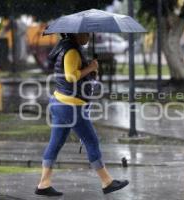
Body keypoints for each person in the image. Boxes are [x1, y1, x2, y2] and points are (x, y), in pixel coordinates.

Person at [35, 33, 129, 196]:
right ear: (76, 34)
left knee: (55, 143)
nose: (88, 36)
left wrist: (91, 72)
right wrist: (91, 68)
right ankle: (107, 182)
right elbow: (71, 76)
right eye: (85, 33)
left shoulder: (67, 47)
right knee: (91, 141)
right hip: (70, 106)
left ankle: (44, 183)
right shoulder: (71, 51)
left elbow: (77, 74)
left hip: (60, 102)